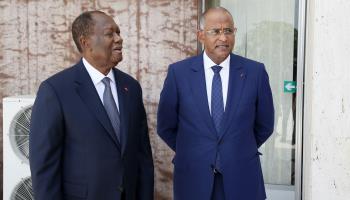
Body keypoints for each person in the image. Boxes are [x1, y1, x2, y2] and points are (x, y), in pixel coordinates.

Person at [29, 11, 154, 200]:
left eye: (118, 33)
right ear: (85, 42)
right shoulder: (55, 90)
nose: (119, 39)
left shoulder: (131, 87)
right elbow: (44, 167)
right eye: (109, 34)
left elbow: (143, 156)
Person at [157, 7, 274, 200]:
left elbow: (265, 124)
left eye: (228, 31)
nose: (223, 38)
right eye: (215, 31)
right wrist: (195, 149)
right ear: (201, 35)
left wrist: (236, 147)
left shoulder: (255, 72)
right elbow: (165, 126)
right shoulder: (179, 74)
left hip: (242, 178)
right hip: (194, 178)